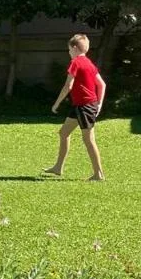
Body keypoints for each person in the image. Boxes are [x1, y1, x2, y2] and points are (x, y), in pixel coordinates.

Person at [44, 33, 106, 181]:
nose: (69, 53)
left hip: (85, 107)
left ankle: (99, 174)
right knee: (64, 133)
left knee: (89, 140)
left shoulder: (76, 62)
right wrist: (100, 104)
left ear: (74, 47)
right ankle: (58, 167)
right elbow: (102, 84)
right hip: (80, 105)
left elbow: (68, 85)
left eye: (69, 50)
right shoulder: (90, 64)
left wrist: (57, 103)